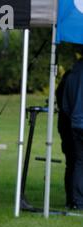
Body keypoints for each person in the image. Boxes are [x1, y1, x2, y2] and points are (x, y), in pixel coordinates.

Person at [62, 50, 83, 210]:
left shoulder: (72, 74)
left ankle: (76, 199)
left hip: (75, 123)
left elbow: (65, 105)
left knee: (78, 162)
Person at [56, 70, 75, 209]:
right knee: (75, 163)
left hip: (67, 126)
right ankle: (75, 199)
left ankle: (71, 199)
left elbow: (61, 100)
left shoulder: (70, 74)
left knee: (72, 164)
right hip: (72, 126)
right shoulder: (71, 75)